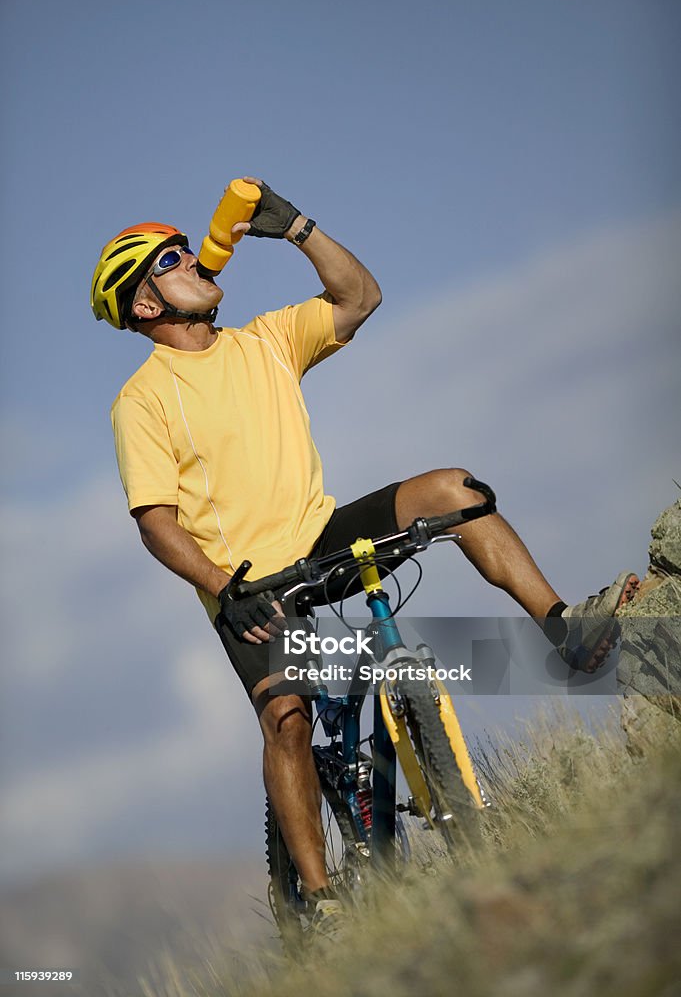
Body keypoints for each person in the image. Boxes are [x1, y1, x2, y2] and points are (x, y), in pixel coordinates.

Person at [91, 177, 638, 941]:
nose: (195, 259)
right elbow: (156, 522)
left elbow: (358, 296)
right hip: (247, 583)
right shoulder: (143, 399)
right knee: (287, 716)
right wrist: (224, 587)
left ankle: (564, 631)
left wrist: (297, 227)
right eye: (173, 259)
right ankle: (319, 904)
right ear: (146, 305)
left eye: (189, 248)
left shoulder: (266, 341)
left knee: (456, 488)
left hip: (318, 534)